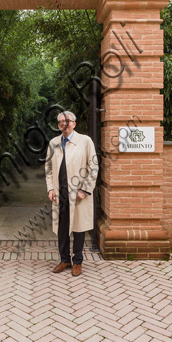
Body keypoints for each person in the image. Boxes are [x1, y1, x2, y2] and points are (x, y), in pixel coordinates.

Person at [45, 110, 98, 276]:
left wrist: (85, 189)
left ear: (74, 124)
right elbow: (48, 168)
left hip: (78, 194)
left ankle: (77, 262)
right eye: (61, 121)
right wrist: (50, 188)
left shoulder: (85, 141)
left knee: (78, 228)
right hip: (59, 193)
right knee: (62, 228)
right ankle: (64, 259)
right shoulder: (53, 143)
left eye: (67, 121)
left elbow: (94, 167)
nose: (64, 124)